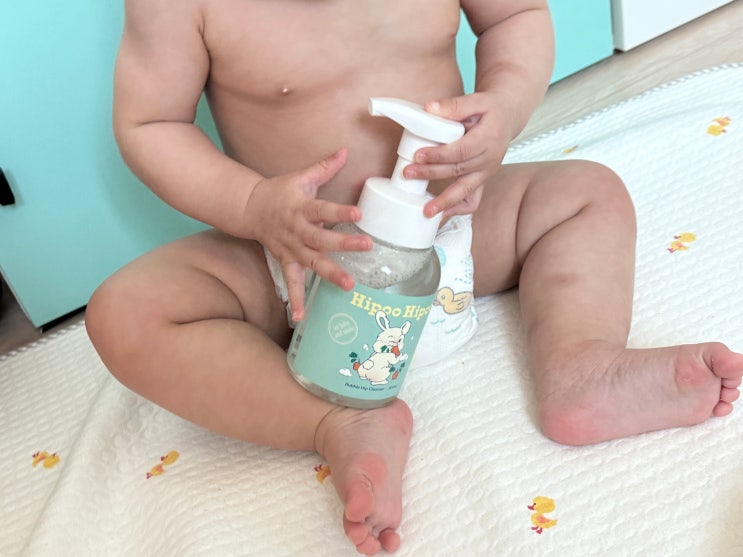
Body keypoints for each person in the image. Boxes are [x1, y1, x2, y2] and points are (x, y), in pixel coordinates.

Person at [86, 0, 743, 554]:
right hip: (300, 263)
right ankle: (333, 420)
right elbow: (150, 123)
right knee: (128, 311)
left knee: (588, 192)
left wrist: (504, 107)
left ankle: (581, 364)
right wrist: (254, 205)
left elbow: (515, 15)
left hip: (451, 228)